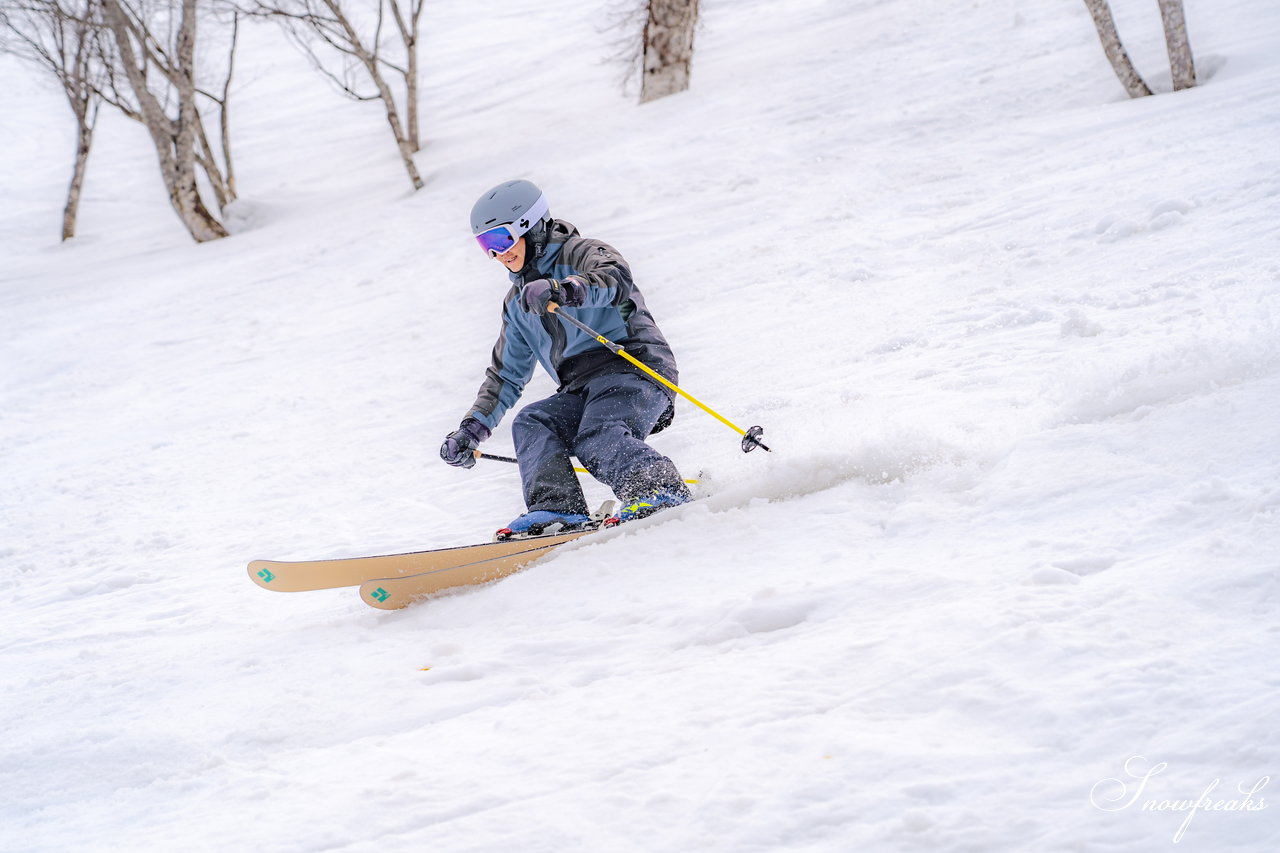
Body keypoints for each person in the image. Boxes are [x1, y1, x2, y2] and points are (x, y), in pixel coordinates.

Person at [439, 179, 691, 534]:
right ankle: (557, 509)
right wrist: (471, 430)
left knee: (598, 435)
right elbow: (505, 375)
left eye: (501, 239)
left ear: (531, 227)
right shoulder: (518, 304)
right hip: (580, 387)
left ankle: (657, 489)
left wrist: (565, 289)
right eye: (486, 246)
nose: (498, 254)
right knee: (533, 421)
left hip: (633, 367)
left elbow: (614, 278)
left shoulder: (583, 252)